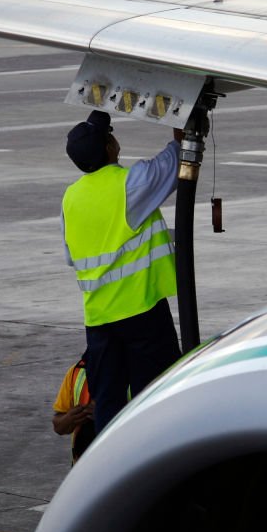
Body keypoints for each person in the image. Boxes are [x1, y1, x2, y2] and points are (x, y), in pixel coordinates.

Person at [61, 110, 183, 434]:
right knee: (156, 397)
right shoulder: (129, 185)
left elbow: (73, 256)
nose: (115, 138)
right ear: (109, 148)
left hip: (99, 322)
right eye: (110, 136)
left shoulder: (70, 198)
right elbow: (176, 160)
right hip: (141, 313)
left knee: (109, 406)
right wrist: (184, 118)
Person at [52, 354, 96, 464]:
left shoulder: (136, 375)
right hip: (81, 468)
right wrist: (69, 419)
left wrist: (109, 417)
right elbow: (58, 426)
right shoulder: (77, 372)